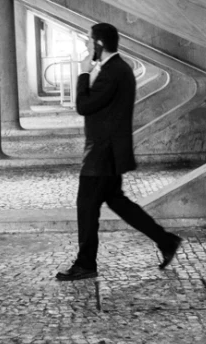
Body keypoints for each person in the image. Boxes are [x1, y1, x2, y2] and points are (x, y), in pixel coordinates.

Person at [56, 22, 182, 281]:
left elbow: (84, 105)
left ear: (99, 44)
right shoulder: (117, 69)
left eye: (88, 41)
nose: (86, 45)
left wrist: (82, 74)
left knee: (87, 208)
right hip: (109, 153)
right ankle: (166, 240)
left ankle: (86, 264)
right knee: (118, 202)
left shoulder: (113, 72)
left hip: (102, 155)